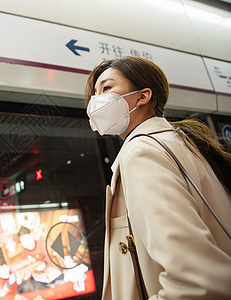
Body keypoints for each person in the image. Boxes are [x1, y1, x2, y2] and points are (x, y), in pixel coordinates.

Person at [84, 56, 231, 299]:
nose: (95, 102)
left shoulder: (142, 153)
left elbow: (195, 282)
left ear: (142, 96)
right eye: (94, 94)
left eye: (107, 88)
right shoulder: (182, 143)